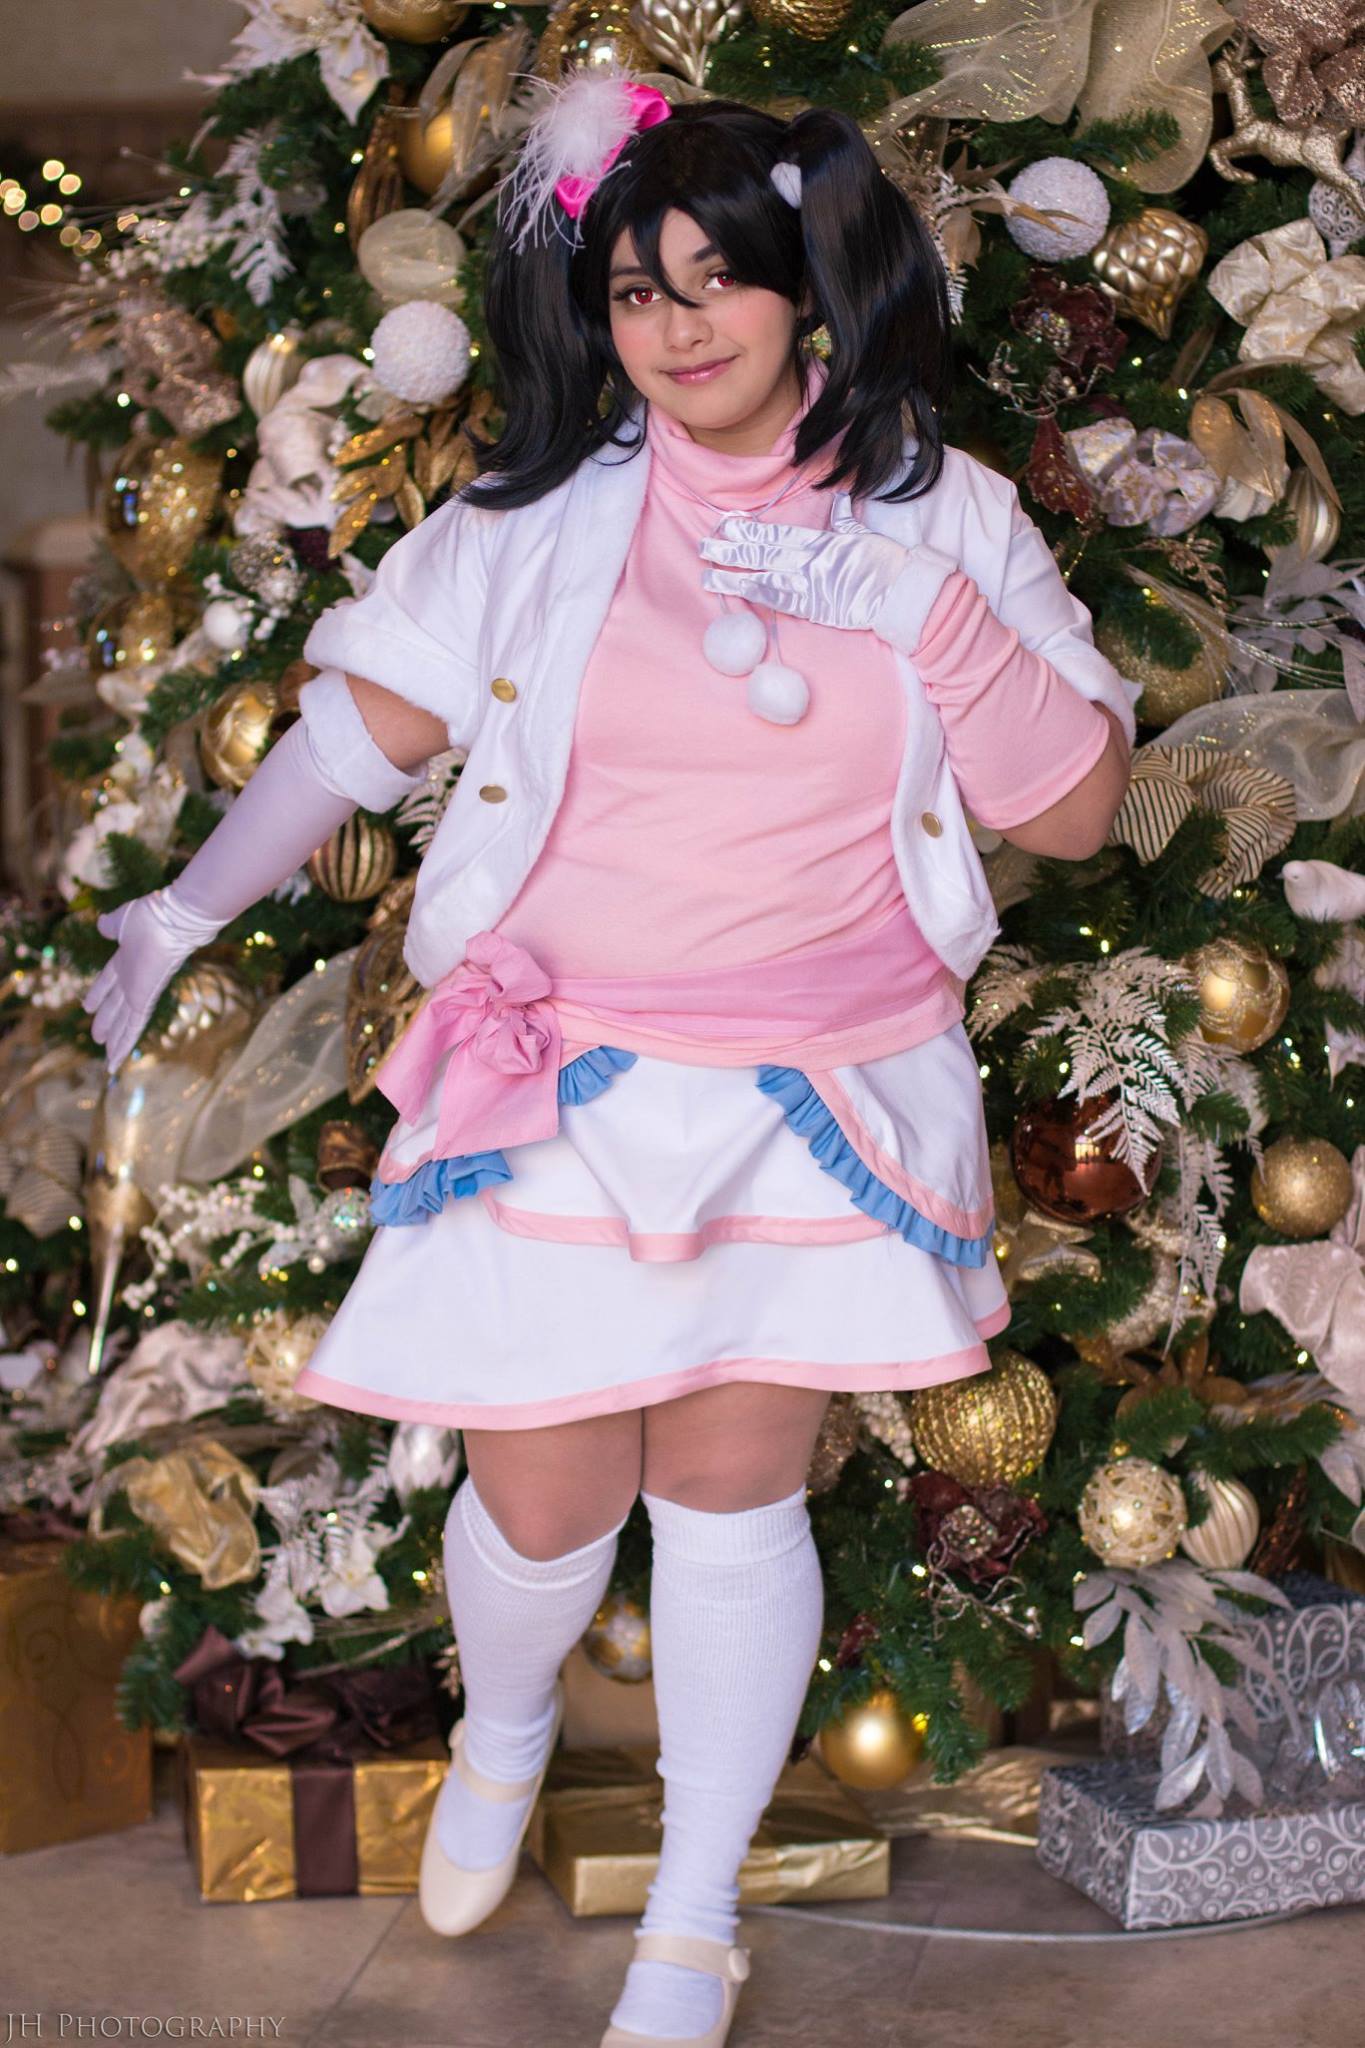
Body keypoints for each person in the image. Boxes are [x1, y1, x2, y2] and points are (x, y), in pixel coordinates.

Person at [83, 63, 1134, 2048]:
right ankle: (501, 1729)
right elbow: (352, 735)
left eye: (717, 281)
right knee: (545, 1497)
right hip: (565, 1081)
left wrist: (919, 608)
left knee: (731, 1499)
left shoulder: (944, 515)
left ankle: (692, 1914)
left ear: (807, 292)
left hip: (813, 1094)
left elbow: (1071, 807)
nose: (676, 326)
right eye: (639, 290)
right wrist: (183, 909)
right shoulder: (543, 520)